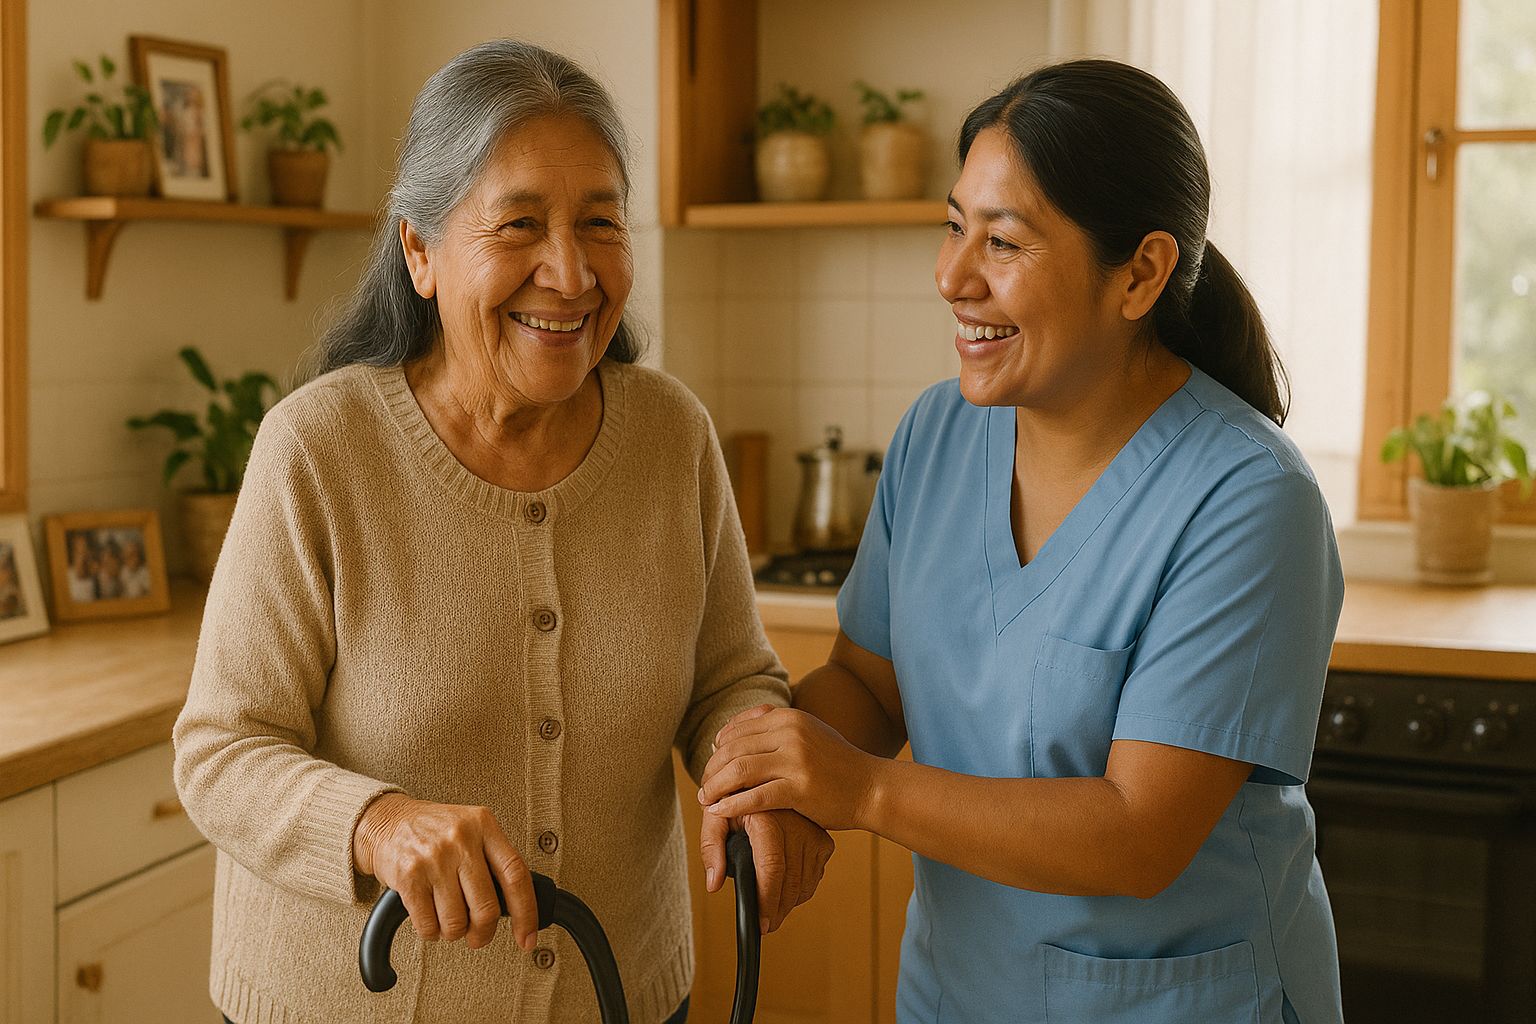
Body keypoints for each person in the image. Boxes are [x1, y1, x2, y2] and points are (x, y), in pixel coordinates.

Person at [173, 39, 832, 1024]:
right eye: (520, 224)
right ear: (421, 252)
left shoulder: (671, 436)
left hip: (620, 998)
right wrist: (378, 825)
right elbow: (221, 750)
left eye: (600, 223)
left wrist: (754, 771)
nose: (569, 273)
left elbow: (728, 674)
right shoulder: (318, 450)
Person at [701, 60, 1345, 1024]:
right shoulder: (936, 435)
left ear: (1141, 274)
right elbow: (871, 684)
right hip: (954, 994)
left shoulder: (1249, 498)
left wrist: (866, 792)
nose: (953, 277)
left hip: (1181, 1003)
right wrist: (772, 774)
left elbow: (1138, 834)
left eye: (1003, 241)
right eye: (955, 226)